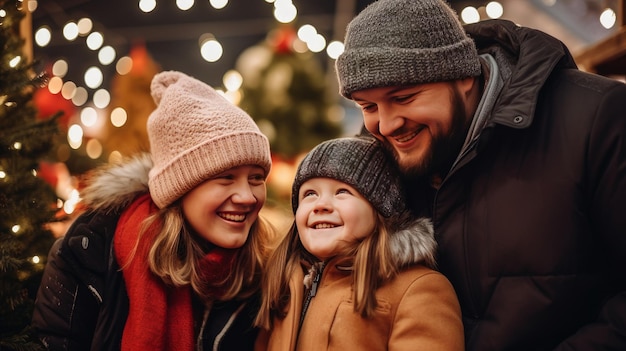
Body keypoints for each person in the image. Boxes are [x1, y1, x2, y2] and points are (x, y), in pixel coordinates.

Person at [334, 0, 626, 350]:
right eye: (368, 107)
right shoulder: (378, 163)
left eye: (404, 97)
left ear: (463, 76)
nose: (386, 124)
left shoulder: (598, 119)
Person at [31, 70, 275, 350]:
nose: (247, 196)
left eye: (256, 178)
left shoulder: (266, 270)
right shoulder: (91, 251)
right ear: (180, 187)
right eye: (226, 178)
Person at [255, 136, 464, 350]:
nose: (321, 205)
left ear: (381, 210)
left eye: (342, 192)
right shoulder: (284, 285)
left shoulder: (417, 289)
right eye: (310, 194)